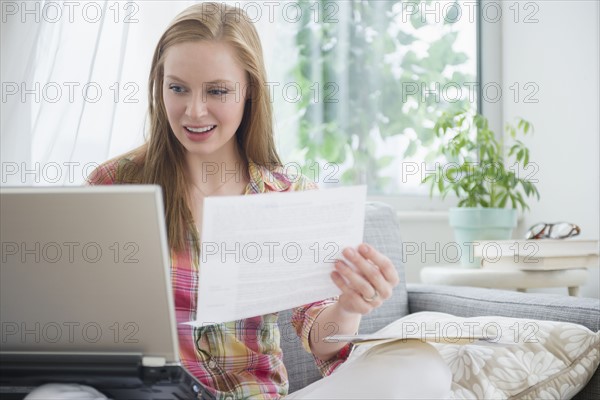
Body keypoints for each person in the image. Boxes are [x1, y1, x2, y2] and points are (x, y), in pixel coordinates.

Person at [27, 3, 451, 399]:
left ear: (249, 91)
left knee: (420, 366)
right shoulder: (114, 184)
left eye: (217, 91)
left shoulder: (289, 196)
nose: (194, 111)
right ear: (160, 86)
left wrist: (349, 304)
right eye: (177, 88)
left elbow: (322, 341)